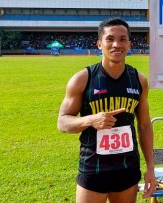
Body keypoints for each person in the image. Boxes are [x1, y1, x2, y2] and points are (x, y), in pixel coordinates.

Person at [57, 17, 156, 203]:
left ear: (129, 44)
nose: (116, 44)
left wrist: (151, 168)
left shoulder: (139, 80)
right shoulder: (82, 79)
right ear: (99, 44)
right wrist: (90, 120)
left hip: (127, 167)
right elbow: (62, 122)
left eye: (122, 39)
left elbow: (144, 125)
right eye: (110, 39)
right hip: (93, 166)